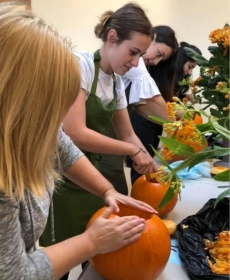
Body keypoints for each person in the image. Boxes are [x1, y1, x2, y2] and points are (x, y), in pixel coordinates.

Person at [0, 3, 157, 280]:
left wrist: (107, 189)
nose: (55, 118)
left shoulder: (22, 120)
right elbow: (9, 275)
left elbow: (61, 145)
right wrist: (90, 242)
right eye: (50, 103)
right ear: (7, 94)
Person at [40, 3, 158, 279]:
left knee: (95, 256)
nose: (135, 62)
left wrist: (145, 156)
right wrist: (132, 150)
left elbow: (128, 133)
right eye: (133, 52)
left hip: (95, 177)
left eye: (140, 56)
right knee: (62, 257)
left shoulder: (116, 82)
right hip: (67, 177)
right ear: (112, 37)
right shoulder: (79, 65)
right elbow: (75, 133)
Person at [123, 25, 179, 185]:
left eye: (161, 60)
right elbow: (153, 100)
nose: (155, 62)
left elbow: (141, 106)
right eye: (159, 54)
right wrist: (182, 130)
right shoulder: (136, 62)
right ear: (151, 37)